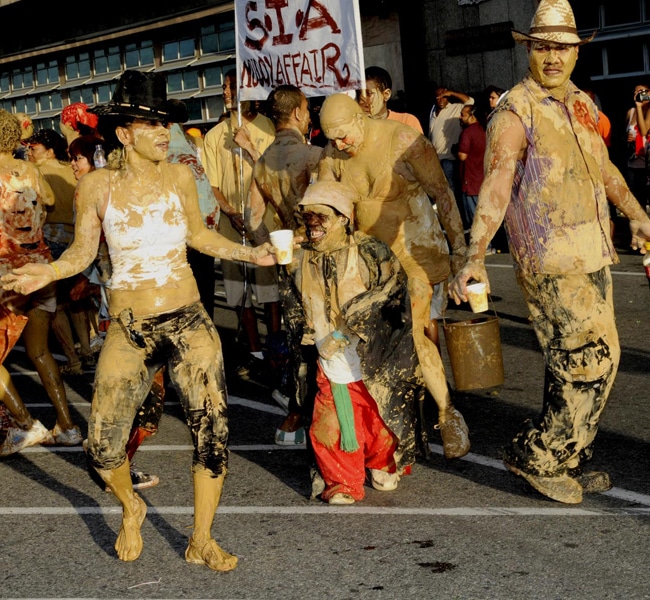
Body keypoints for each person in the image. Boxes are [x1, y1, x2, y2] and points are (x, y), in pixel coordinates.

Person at [1, 70, 276, 569]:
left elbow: (197, 235)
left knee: (211, 431)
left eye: (165, 124)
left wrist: (248, 253)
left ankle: (201, 537)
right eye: (151, 125)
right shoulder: (98, 186)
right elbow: (84, 253)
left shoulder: (178, 176)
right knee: (103, 445)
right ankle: (132, 505)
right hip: (130, 326)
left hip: (188, 318)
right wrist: (44, 271)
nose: (163, 133)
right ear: (124, 134)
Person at [449, 0, 650, 505]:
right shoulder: (515, 111)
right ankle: (539, 455)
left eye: (562, 48)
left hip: (593, 251)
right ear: (530, 52)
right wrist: (475, 254)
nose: (553, 58)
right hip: (551, 258)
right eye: (543, 48)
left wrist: (636, 213)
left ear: (578, 52)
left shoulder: (583, 103)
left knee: (593, 358)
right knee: (587, 361)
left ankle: (570, 451)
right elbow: (495, 183)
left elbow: (606, 171)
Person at [317, 93, 470, 460]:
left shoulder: (403, 141)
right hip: (372, 264)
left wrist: (463, 252)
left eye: (343, 135)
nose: (340, 144)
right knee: (378, 342)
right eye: (332, 138)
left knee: (415, 334)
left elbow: (443, 195)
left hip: (417, 251)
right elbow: (322, 204)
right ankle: (391, 428)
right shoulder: (333, 154)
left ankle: (448, 414)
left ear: (361, 116)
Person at [279, 181, 423, 504]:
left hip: (372, 359)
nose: (311, 224)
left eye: (320, 216)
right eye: (306, 216)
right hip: (328, 364)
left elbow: (392, 292)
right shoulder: (299, 257)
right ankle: (343, 481)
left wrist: (347, 327)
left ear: (344, 218)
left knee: (378, 417)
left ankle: (382, 461)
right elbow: (293, 307)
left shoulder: (371, 251)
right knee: (328, 423)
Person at [246, 84, 324, 446]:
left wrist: (276, 247)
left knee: (298, 340)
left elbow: (252, 219)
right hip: (323, 259)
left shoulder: (262, 164)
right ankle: (319, 416)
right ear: (296, 114)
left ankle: (296, 415)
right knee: (326, 340)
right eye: (307, 110)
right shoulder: (314, 157)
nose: (310, 116)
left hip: (290, 263)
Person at [0, 109, 82, 451]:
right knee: (40, 351)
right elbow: (47, 199)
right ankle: (67, 425)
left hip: (8, 273)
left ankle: (24, 423)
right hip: (41, 265)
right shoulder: (31, 169)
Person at [203, 69, 281, 382]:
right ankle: (254, 351)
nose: (226, 91)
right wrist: (231, 212)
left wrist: (249, 146)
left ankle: (276, 347)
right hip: (230, 225)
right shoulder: (212, 135)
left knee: (269, 288)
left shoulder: (268, 127)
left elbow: (277, 173)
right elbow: (211, 184)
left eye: (232, 86)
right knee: (238, 291)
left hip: (264, 221)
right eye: (223, 86)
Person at [25, 128, 94, 375]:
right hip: (78, 238)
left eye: (33, 148)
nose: (28, 152)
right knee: (78, 299)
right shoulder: (72, 170)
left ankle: (73, 360)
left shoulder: (36, 173)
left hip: (52, 238)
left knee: (56, 306)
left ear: (49, 150)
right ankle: (86, 351)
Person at [428, 85, 474, 224]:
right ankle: (446, 220)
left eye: (444, 96)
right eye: (438, 96)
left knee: (453, 190)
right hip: (435, 159)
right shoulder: (433, 110)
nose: (441, 99)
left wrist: (452, 92)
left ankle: (458, 220)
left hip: (449, 159)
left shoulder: (455, 108)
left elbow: (470, 101)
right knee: (438, 192)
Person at [457, 104, 489, 251]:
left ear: (472, 116)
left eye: (463, 114)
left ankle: (480, 246)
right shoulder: (484, 129)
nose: (460, 117)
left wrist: (455, 149)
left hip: (470, 179)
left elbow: (462, 156)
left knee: (474, 217)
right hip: (482, 178)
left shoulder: (468, 132)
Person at [358, 66, 423, 133]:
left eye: (368, 94)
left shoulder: (406, 122)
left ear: (386, 95)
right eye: (358, 94)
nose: (361, 101)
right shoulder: (356, 126)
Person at [625, 82, 650, 210]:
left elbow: (644, 131)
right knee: (636, 197)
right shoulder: (631, 111)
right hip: (633, 161)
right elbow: (626, 132)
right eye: (635, 92)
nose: (638, 94)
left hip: (646, 161)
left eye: (641, 91)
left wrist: (640, 107)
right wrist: (628, 139)